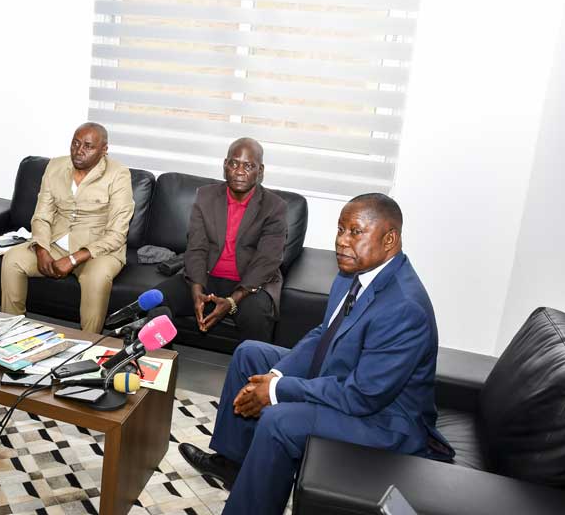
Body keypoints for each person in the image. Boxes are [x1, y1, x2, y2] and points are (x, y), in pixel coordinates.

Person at [178, 193, 452, 515]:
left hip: (384, 421)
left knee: (278, 420)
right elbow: (324, 334)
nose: (341, 241)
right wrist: (276, 375)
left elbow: (362, 396)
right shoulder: (353, 275)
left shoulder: (404, 307)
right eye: (340, 229)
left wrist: (277, 390)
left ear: (389, 239)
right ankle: (234, 465)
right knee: (249, 355)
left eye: (355, 232)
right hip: (347, 378)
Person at [0, 123, 134, 333]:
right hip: (56, 244)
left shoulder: (118, 175)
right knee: (12, 259)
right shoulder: (55, 166)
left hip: (98, 252)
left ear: (104, 150)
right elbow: (41, 216)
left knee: (97, 279)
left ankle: (87, 343)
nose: (79, 151)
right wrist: (41, 249)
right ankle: (11, 332)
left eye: (88, 146)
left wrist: (73, 259)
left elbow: (117, 234)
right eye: (75, 143)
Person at [156, 138, 287, 342]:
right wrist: (197, 291)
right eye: (234, 163)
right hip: (207, 276)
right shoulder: (206, 196)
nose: (239, 171)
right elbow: (196, 247)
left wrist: (232, 301)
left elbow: (267, 260)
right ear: (225, 165)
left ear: (260, 170)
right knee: (156, 302)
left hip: (249, 285)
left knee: (256, 317)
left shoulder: (274, 206)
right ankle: (159, 359)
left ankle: (251, 364)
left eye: (248, 166)